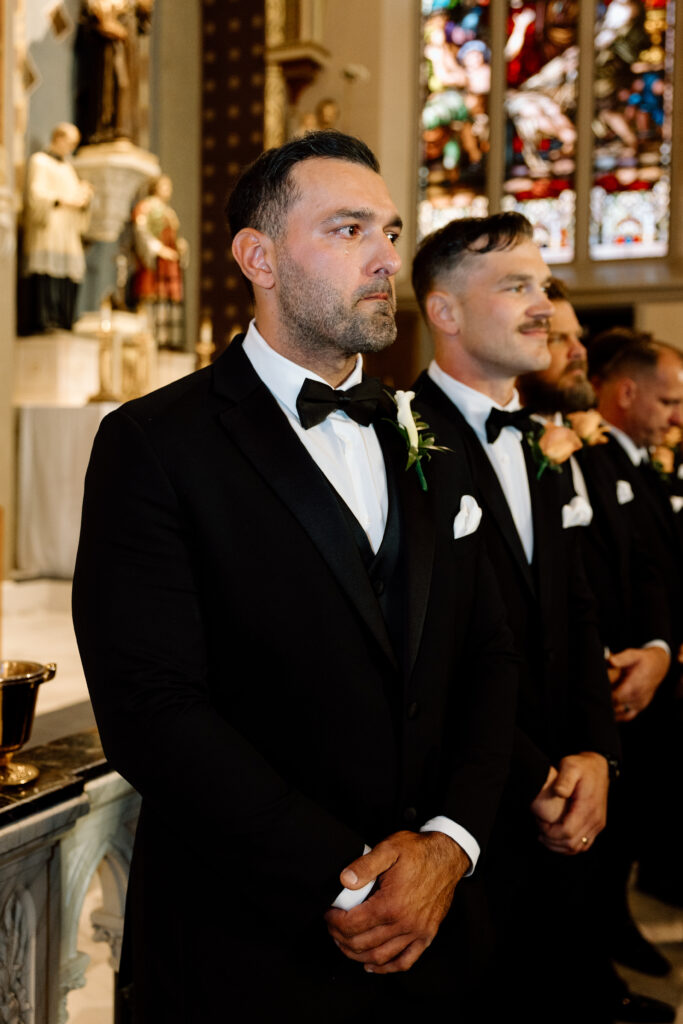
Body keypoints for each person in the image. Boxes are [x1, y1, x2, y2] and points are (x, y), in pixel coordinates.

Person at [72, 131, 519, 1023]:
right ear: (258, 256)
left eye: (389, 232)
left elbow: (489, 657)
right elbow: (152, 709)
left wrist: (448, 844)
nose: (387, 257)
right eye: (349, 229)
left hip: (439, 936)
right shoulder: (155, 445)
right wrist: (345, 878)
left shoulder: (427, 437)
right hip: (249, 944)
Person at [410, 213, 621, 1023]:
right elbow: (434, 649)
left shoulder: (539, 442)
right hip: (471, 810)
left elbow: (575, 610)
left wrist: (597, 755)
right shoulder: (403, 441)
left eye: (540, 285)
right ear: (445, 312)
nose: (542, 307)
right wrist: (534, 775)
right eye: (515, 287)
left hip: (571, 795)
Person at [518, 285, 677, 1022]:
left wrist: (652, 648)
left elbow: (636, 565)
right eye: (561, 338)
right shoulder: (520, 445)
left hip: (604, 686)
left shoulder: (585, 452)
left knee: (596, 855)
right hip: (534, 704)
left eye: (578, 338)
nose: (579, 350)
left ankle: (593, 978)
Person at [589, 328, 683, 913]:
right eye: (668, 400)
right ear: (626, 393)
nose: (677, 416)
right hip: (618, 676)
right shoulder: (594, 462)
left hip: (653, 667)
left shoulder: (645, 468)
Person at [21, 122, 93, 333]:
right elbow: (36, 195)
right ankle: (46, 319)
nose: (71, 148)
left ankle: (64, 318)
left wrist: (85, 197)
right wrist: (64, 200)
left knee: (69, 274)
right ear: (58, 138)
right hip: (49, 229)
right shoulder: (40, 161)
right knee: (47, 273)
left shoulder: (68, 167)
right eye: (70, 143)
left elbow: (76, 198)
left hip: (67, 232)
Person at [75, 0, 154, 145]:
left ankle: (123, 129)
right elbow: (90, 14)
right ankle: (102, 130)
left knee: (124, 87)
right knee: (106, 86)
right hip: (103, 48)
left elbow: (144, 15)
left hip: (127, 45)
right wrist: (104, 23)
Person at [131, 173, 187, 349]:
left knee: (168, 298)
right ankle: (151, 336)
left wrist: (180, 246)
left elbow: (174, 236)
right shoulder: (145, 207)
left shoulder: (169, 211)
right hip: (155, 262)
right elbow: (140, 232)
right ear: (155, 187)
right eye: (165, 186)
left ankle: (167, 338)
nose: (168, 190)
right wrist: (158, 249)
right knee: (152, 295)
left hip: (169, 261)